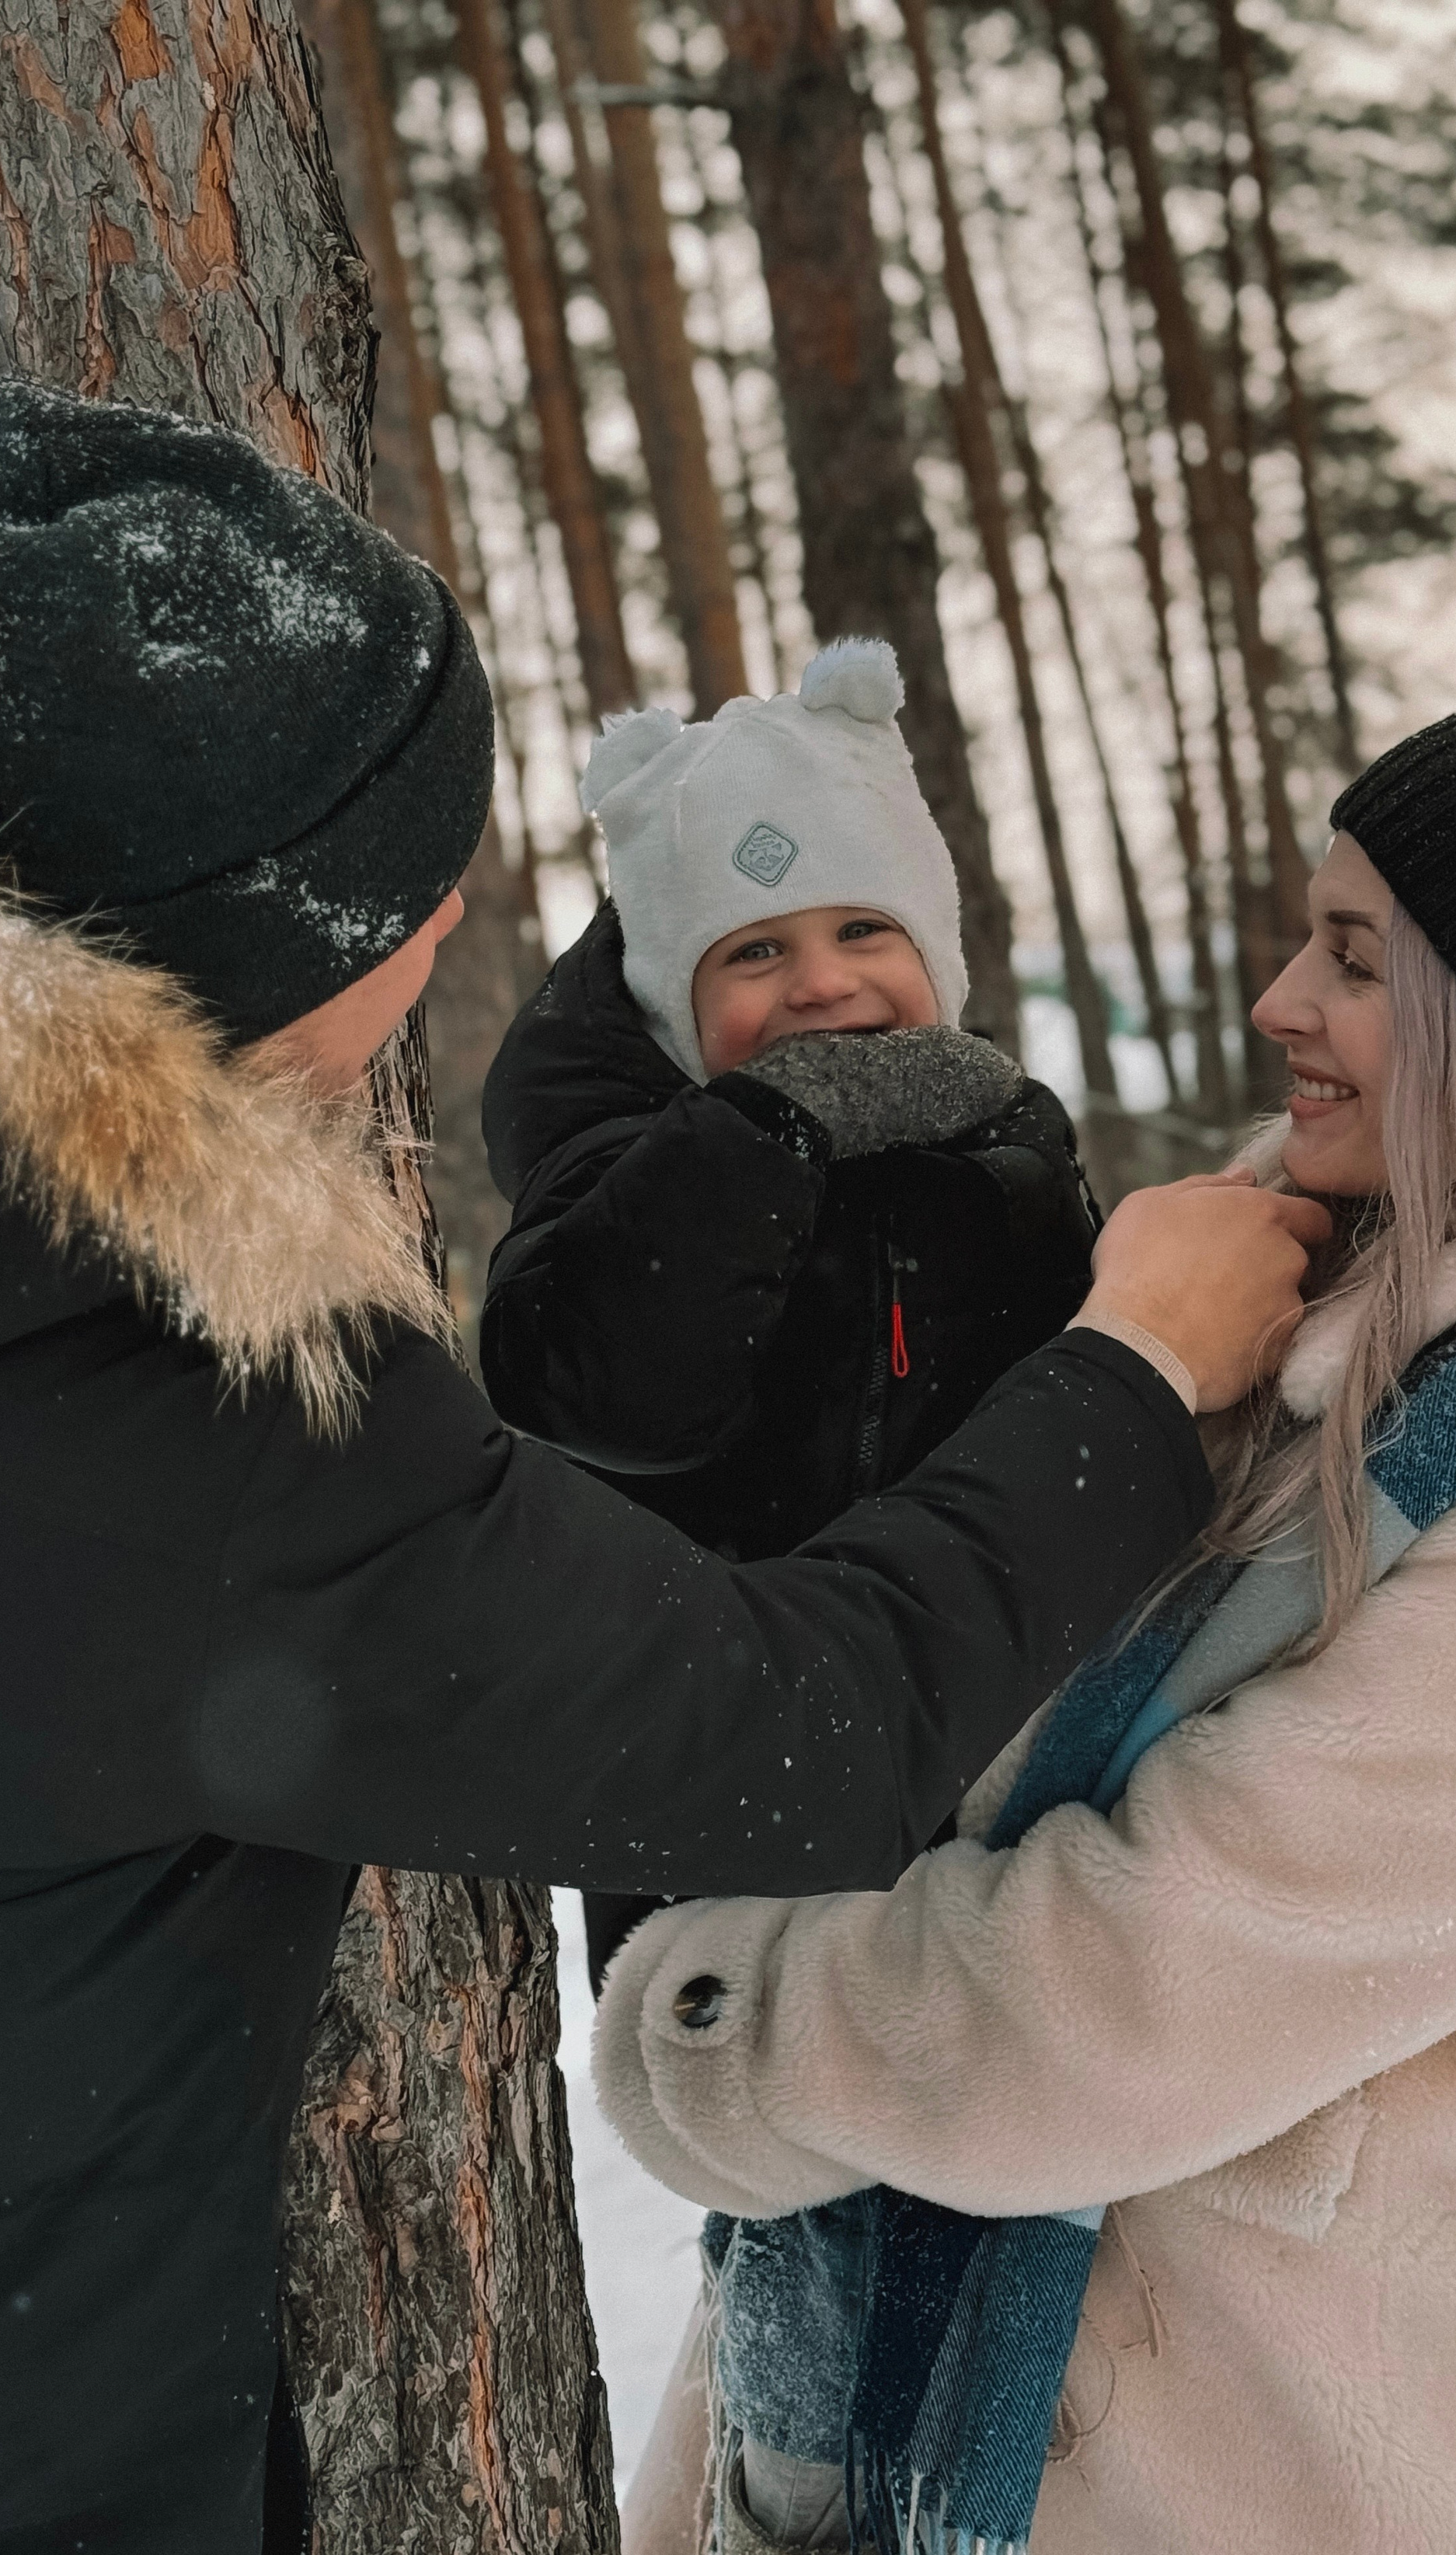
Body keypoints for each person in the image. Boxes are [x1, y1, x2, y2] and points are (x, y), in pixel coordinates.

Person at [0, 379, 1324, 2555]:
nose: (480, 912)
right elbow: (802, 1727)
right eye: (429, 874)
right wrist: (1137, 1366)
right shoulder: (186, 1407)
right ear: (291, 932)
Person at [594, 657, 1456, 2555]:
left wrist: (709, 2024)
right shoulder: (1293, 1305)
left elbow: (1123, 1996)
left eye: (1351, 962)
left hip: (1267, 2534)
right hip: (1018, 2469)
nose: (1273, 1011)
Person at [480, 640, 1124, 1987]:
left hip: (984, 1764)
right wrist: (770, 1127)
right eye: (756, 950)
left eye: (863, 930)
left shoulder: (997, 1135)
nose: (821, 984)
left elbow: (1076, 1398)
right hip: (732, 1798)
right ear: (673, 1002)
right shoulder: (619, 1169)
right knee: (817, 2148)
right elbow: (603, 1389)